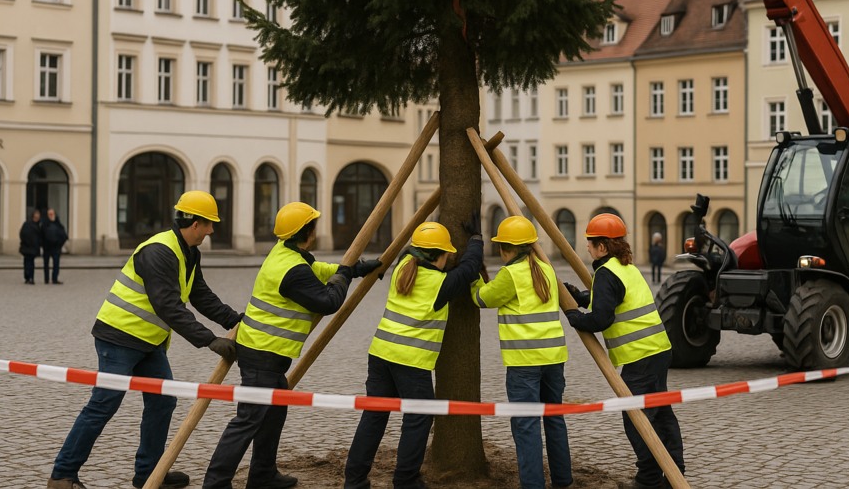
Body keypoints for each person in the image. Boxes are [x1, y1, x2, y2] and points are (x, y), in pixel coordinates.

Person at [48, 191, 243, 489]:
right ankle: (62, 476)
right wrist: (209, 340)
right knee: (104, 404)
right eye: (209, 224)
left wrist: (234, 320)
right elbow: (168, 305)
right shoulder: (159, 251)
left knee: (163, 402)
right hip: (119, 338)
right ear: (194, 224)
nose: (212, 230)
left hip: (148, 343)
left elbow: (200, 295)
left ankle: (149, 474)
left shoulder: (189, 251)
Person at [202, 202, 382, 489]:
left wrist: (355, 268)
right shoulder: (292, 270)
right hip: (262, 354)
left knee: (274, 413)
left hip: (267, 354)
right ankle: (215, 484)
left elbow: (320, 270)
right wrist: (344, 277)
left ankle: (262, 474)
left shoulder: (285, 253)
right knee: (248, 421)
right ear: (307, 232)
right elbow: (328, 302)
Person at [344, 215, 484, 489]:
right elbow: (469, 269)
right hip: (411, 361)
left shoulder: (403, 267)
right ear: (442, 255)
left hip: (380, 354)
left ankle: (355, 480)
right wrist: (476, 239)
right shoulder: (439, 285)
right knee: (418, 417)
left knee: (374, 416)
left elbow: (412, 249)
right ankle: (405, 480)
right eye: (447, 254)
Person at [563, 213, 684, 489]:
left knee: (637, 421)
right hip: (658, 351)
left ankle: (650, 478)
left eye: (591, 243)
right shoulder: (625, 267)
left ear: (603, 247)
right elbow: (614, 300)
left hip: (639, 358)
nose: (588, 247)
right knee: (662, 415)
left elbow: (602, 317)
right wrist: (581, 297)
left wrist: (574, 316)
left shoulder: (606, 273)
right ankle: (674, 472)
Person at [472, 216, 572, 489]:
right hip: (554, 358)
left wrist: (473, 277)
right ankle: (563, 479)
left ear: (506, 248)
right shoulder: (546, 269)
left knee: (526, 426)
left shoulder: (510, 274)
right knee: (554, 419)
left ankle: (533, 485)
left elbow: (482, 298)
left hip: (524, 363)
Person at [42, 208, 69, 285]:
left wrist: (59, 244)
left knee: (56, 264)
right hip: (47, 248)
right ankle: (46, 279)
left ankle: (55, 278)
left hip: (56, 248)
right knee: (46, 264)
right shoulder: (44, 224)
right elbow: (41, 236)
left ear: (55, 215)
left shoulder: (58, 225)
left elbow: (64, 236)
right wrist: (43, 244)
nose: (50, 216)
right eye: (49, 214)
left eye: (51, 214)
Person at [19, 208, 42, 285]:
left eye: (38, 217)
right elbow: (22, 234)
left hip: (34, 247)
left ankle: (31, 277)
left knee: (31, 263)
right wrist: (25, 242)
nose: (37, 218)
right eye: (36, 217)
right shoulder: (27, 224)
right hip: (27, 246)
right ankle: (27, 277)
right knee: (27, 262)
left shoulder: (39, 225)